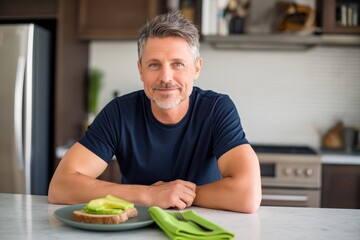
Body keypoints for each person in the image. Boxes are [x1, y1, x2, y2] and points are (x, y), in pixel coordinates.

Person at [48, 11, 261, 213]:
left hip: (202, 226)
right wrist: (149, 195)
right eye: (154, 65)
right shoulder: (120, 112)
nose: (165, 77)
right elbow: (60, 186)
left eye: (177, 64)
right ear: (140, 69)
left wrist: (174, 195)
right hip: (133, 227)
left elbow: (248, 194)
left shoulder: (217, 109)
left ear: (196, 68)